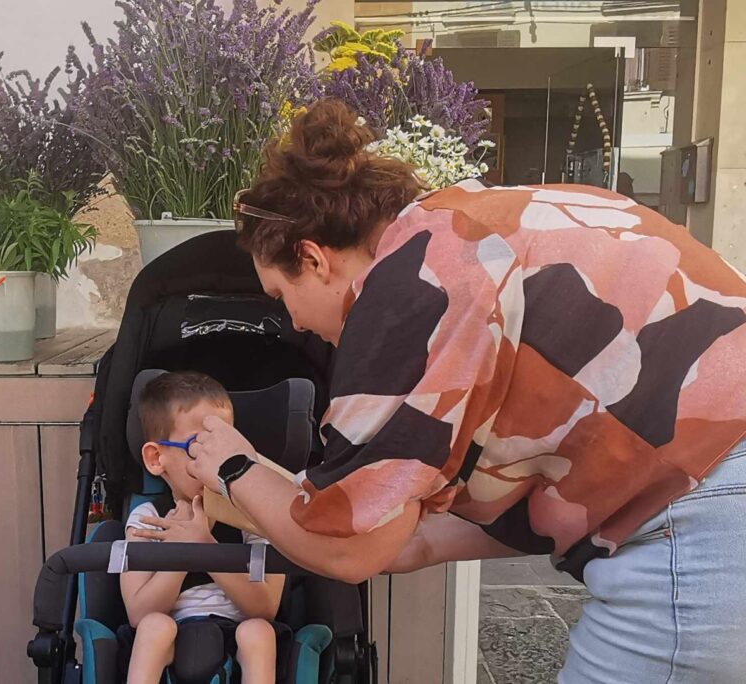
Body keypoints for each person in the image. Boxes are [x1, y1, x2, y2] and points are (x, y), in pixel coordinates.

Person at [170, 98, 746, 683]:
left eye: (280, 295)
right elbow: (405, 538)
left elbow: (349, 548)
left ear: (313, 258)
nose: (293, 322)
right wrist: (295, 514)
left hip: (698, 511)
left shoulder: (412, 283)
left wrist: (235, 467)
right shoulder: (467, 225)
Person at [121, 371, 287, 684]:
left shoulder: (254, 519)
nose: (216, 462)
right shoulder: (147, 519)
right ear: (156, 458)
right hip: (168, 640)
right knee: (154, 626)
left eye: (226, 447)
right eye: (197, 447)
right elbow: (138, 613)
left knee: (258, 631)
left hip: (238, 635)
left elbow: (265, 607)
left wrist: (206, 548)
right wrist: (182, 553)